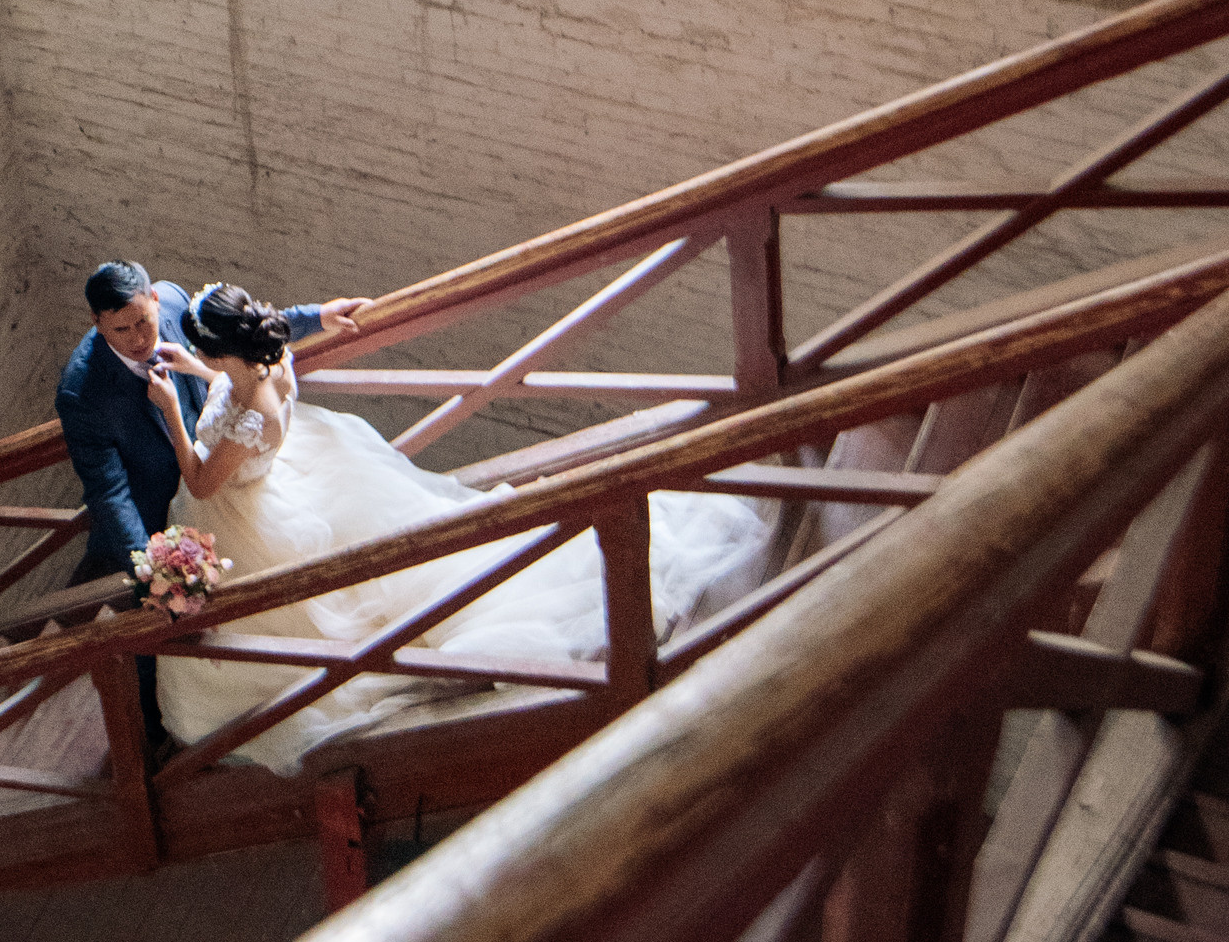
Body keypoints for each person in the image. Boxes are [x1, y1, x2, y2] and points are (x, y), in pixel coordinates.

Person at [142, 279, 771, 774]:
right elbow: (243, 381)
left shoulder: (253, 414)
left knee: (317, 616)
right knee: (385, 570)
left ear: (227, 351)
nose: (198, 357)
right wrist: (206, 372)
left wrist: (173, 411)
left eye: (204, 352)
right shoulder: (269, 363)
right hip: (302, 474)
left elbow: (201, 481)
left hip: (255, 510)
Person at [56, 258, 370, 742]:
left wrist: (318, 317)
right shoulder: (82, 392)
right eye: (122, 329)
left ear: (156, 299)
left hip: (226, 493)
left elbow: (243, 332)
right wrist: (152, 574)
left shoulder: (181, 303)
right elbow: (109, 492)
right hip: (163, 514)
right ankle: (151, 740)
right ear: (97, 323)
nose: (140, 337)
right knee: (156, 647)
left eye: (145, 320)